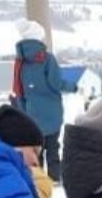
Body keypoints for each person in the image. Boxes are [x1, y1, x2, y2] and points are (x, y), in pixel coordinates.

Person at [12, 18, 64, 184]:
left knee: (36, 148)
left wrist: (22, 111)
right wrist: (73, 87)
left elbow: (18, 89)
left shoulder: (20, 62)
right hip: (52, 112)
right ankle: (55, 177)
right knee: (53, 147)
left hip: (31, 114)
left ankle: (38, 178)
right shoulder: (47, 59)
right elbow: (56, 83)